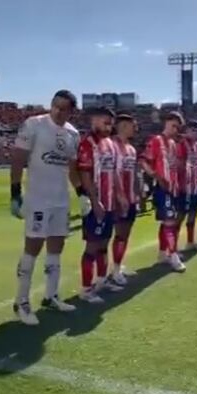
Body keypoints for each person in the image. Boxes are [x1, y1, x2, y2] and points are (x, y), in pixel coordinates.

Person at [9, 89, 82, 325]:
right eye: (56, 105)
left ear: (72, 111)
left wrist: (81, 195)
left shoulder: (73, 133)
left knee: (56, 248)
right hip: (38, 199)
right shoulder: (34, 124)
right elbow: (18, 158)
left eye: (64, 108)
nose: (58, 111)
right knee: (32, 248)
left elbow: (71, 168)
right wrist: (15, 194)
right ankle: (21, 301)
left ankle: (50, 296)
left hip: (60, 200)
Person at [77, 106, 123, 302]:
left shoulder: (110, 144)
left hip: (111, 203)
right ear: (94, 120)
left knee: (104, 243)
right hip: (96, 204)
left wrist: (120, 196)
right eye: (105, 122)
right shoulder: (87, 143)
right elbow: (85, 175)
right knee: (92, 245)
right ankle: (86, 289)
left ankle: (102, 280)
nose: (108, 126)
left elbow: (114, 172)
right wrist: (95, 202)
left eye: (110, 123)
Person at [142, 111, 186, 272]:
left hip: (172, 188)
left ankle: (162, 253)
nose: (175, 129)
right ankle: (173, 256)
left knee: (167, 222)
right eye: (173, 125)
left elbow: (173, 166)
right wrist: (155, 175)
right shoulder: (156, 140)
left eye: (177, 127)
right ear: (166, 123)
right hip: (162, 188)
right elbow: (144, 160)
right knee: (170, 222)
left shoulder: (173, 144)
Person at [110, 113, 140, 285]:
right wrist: (119, 196)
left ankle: (118, 265)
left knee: (125, 234)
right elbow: (111, 173)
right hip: (116, 200)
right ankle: (113, 271)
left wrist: (138, 192)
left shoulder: (131, 148)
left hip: (130, 199)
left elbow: (134, 172)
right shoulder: (111, 146)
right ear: (122, 126)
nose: (135, 128)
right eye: (132, 125)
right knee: (118, 234)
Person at [179, 120, 197, 250]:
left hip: (195, 186)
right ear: (186, 130)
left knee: (193, 215)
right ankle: (171, 249)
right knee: (179, 217)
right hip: (182, 187)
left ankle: (190, 242)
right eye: (193, 130)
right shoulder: (181, 143)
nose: (195, 133)